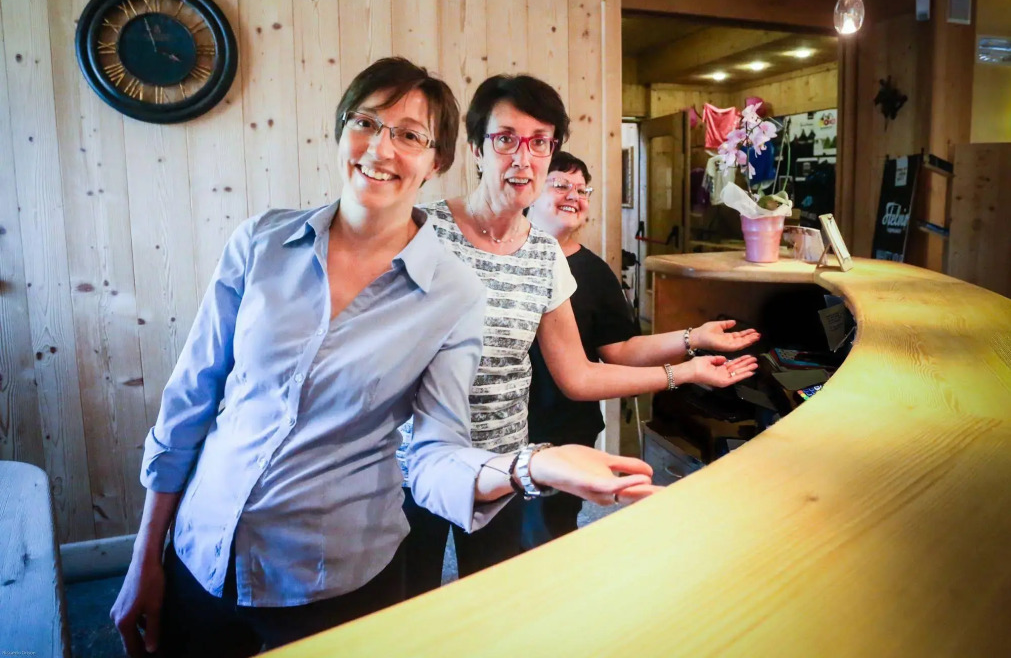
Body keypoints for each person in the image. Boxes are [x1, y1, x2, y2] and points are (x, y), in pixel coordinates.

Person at [110, 58, 658, 658]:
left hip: (332, 575)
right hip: (199, 554)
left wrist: (532, 466)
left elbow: (435, 450)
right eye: (366, 122)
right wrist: (145, 556)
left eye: (410, 135)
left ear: (435, 159)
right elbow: (189, 404)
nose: (381, 148)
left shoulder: (453, 292)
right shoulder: (260, 243)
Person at [399, 74, 759, 596]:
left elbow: (578, 374)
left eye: (539, 143)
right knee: (403, 607)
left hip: (504, 464)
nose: (523, 159)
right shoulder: (421, 229)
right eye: (505, 140)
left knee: (492, 603)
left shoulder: (544, 254)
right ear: (477, 148)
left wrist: (686, 370)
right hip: (413, 464)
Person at [522, 151, 761, 549]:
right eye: (561, 184)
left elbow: (621, 349)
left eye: (583, 190)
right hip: (498, 430)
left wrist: (695, 337)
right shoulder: (503, 257)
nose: (574, 196)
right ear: (530, 190)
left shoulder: (594, 272)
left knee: (547, 541)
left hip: (564, 430)